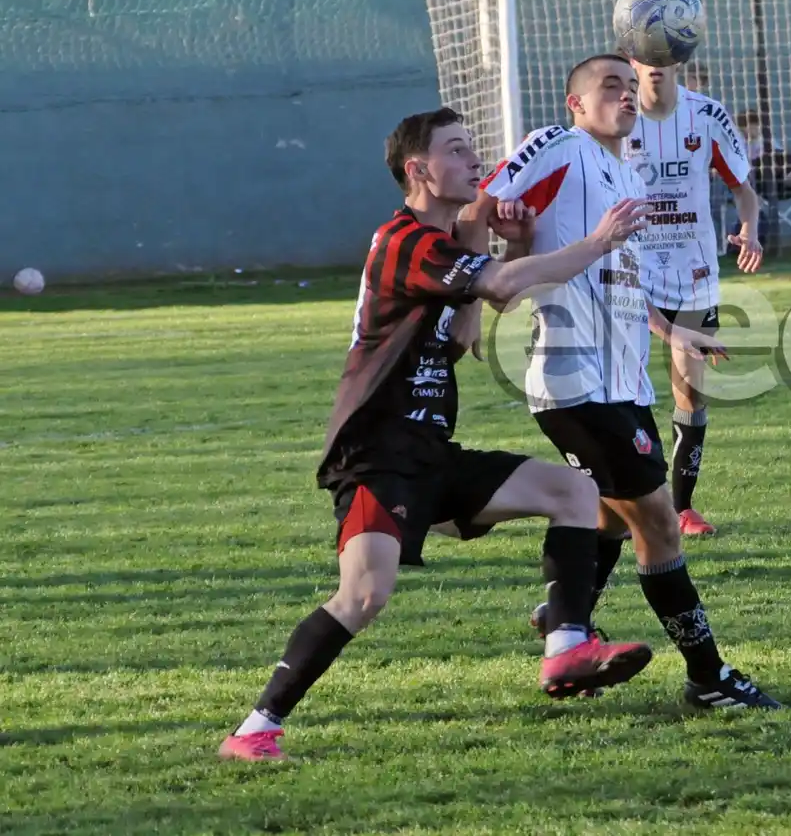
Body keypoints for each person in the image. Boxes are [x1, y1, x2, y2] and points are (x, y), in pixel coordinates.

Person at [216, 108, 657, 762]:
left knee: (574, 490)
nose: (474, 160)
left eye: (472, 147)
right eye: (457, 150)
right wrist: (598, 240)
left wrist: (513, 246)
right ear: (418, 169)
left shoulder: (442, 246)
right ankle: (254, 729)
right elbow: (504, 287)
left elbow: (472, 322)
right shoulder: (405, 240)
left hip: (428, 453)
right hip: (378, 457)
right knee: (364, 594)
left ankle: (566, 649)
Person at [475, 54, 782, 710]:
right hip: (575, 381)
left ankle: (569, 620)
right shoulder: (560, 147)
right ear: (576, 104)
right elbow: (480, 203)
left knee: (611, 521)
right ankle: (707, 675)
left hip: (622, 387)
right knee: (660, 526)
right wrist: (474, 295)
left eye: (627, 85)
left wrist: (674, 333)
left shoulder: (624, 173)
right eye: (608, 85)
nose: (625, 94)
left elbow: (617, 278)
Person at [622, 52, 763, 537]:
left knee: (691, 386)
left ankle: (681, 508)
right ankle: (628, 499)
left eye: (665, 53)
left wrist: (750, 229)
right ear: (630, 60)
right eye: (645, 54)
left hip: (694, 275)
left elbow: (744, 189)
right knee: (624, 389)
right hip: (628, 273)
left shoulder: (706, 115)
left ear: (680, 57)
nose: (655, 63)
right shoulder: (617, 115)